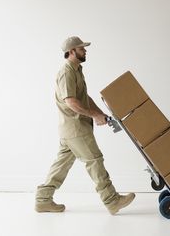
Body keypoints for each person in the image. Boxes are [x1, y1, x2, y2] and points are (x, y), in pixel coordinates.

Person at [35, 36, 135, 215]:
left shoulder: (76, 70)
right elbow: (71, 102)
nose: (85, 51)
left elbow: (84, 98)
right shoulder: (66, 72)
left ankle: (43, 200)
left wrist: (100, 113)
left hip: (70, 129)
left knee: (61, 164)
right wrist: (94, 115)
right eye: (82, 48)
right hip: (76, 128)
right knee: (94, 160)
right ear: (72, 51)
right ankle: (112, 201)